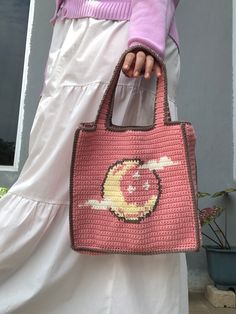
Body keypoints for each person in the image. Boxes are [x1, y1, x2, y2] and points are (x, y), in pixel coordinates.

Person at [0, 1, 188, 313]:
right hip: (78, 38)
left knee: (129, 201)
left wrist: (145, 37)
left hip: (124, 37)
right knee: (58, 182)